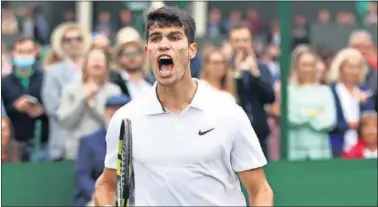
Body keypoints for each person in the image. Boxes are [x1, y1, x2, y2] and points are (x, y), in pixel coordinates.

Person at [95, 7, 273, 206]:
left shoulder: (228, 112)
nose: (164, 45)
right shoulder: (126, 118)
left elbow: (260, 190)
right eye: (155, 38)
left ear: (191, 50)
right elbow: (106, 184)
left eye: (174, 37)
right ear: (148, 51)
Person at [57, 48, 122, 160]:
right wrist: (83, 100)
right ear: (85, 65)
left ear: (107, 66)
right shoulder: (70, 90)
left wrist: (93, 106)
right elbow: (65, 122)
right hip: (75, 151)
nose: (97, 63)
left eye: (100, 60)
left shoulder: (114, 91)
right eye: (93, 60)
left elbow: (114, 125)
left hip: (106, 151)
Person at [42, 22, 91, 161]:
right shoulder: (53, 72)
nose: (73, 43)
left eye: (78, 39)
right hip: (64, 142)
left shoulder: (95, 67)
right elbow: (53, 108)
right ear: (61, 44)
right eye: (67, 40)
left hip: (93, 140)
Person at [75, 95, 130, 206]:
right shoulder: (90, 141)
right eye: (112, 109)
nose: (116, 113)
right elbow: (83, 176)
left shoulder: (140, 139)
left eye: (121, 109)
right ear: (105, 112)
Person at [1, 36, 49, 162]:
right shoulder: (4, 82)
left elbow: (55, 107)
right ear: (13, 53)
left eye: (29, 51)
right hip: (14, 142)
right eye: (20, 52)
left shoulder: (46, 79)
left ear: (36, 52)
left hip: (42, 141)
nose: (24, 55)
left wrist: (42, 109)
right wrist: (15, 106)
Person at [287, 48, 336, 161]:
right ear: (297, 67)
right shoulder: (289, 91)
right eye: (304, 65)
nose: (308, 69)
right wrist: (315, 113)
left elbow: (329, 121)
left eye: (311, 65)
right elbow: (290, 118)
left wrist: (302, 114)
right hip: (295, 150)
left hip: (320, 150)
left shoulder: (325, 91)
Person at [328, 48, 375, 157]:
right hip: (338, 146)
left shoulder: (364, 90)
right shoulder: (332, 90)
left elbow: (370, 118)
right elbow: (329, 120)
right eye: (350, 67)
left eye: (358, 67)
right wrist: (349, 125)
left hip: (361, 148)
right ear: (340, 68)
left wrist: (364, 103)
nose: (354, 71)